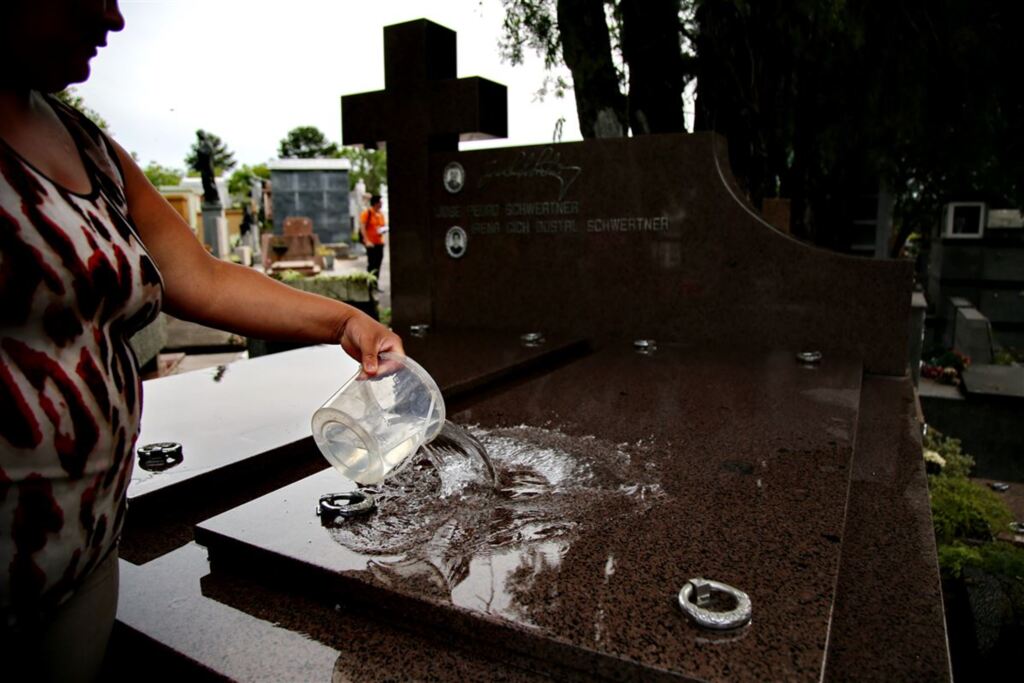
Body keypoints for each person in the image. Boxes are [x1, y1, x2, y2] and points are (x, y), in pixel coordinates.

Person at [0, 2, 402, 679]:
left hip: (85, 552)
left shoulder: (86, 145)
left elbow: (202, 277)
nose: (115, 18)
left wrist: (343, 322)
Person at [359, 194, 387, 287]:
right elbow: (362, 227)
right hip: (371, 243)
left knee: (378, 264)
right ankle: (370, 284)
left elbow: (382, 226)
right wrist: (366, 241)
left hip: (379, 242)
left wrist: (382, 230)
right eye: (380, 202)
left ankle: (375, 284)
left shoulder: (380, 214)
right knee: (372, 264)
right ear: (376, 203)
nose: (381, 203)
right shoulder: (367, 213)